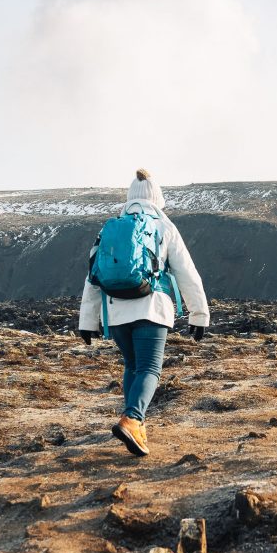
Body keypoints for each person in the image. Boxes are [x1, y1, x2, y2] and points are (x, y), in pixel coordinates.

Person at [78, 169, 210, 457]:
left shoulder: (109, 228)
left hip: (115, 312)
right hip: (151, 308)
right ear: (157, 199)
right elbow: (187, 273)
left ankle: (136, 426)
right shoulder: (163, 227)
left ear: (129, 198)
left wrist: (87, 321)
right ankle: (133, 419)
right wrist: (199, 314)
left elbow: (93, 275)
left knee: (133, 366)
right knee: (150, 369)